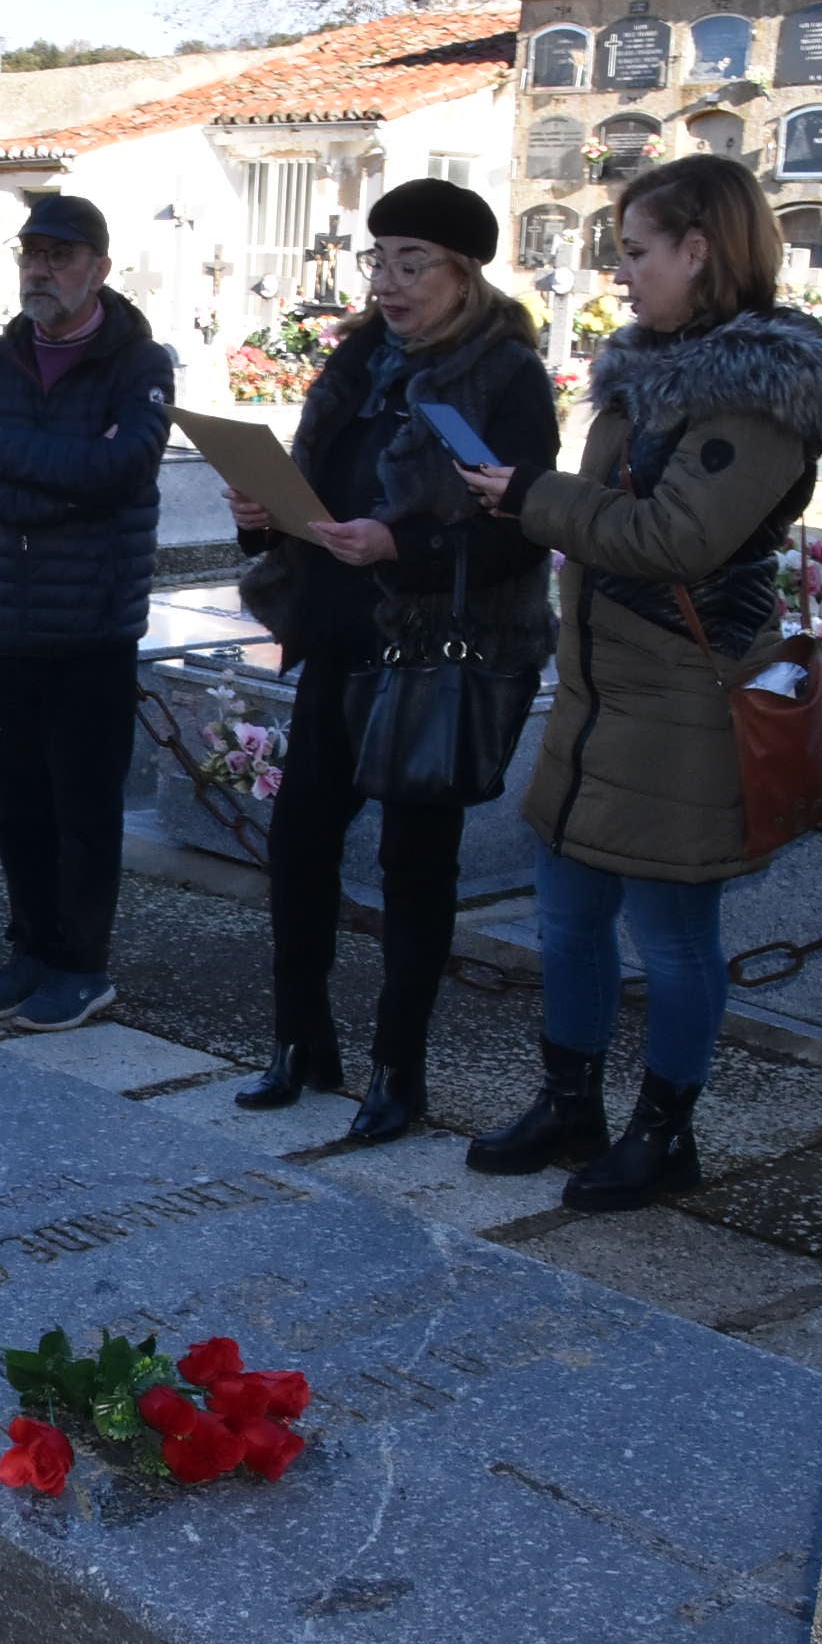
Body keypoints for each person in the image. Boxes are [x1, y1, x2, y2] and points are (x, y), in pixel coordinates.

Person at [455, 153, 822, 1210]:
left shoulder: (760, 394)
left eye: (637, 252)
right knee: (566, 913)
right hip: (600, 700)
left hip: (684, 705)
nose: (621, 273)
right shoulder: (649, 373)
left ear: (699, 249)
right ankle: (571, 1100)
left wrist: (531, 497)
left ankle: (664, 1129)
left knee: (675, 940)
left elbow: (679, 536)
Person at [220, 180, 556, 1127]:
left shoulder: (505, 375)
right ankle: (299, 1040)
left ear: (465, 275)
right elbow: (311, 496)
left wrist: (401, 544)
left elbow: (524, 531)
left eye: (413, 265)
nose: (389, 284)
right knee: (300, 846)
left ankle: (397, 1071)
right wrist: (263, 518)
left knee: (415, 864)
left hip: (429, 651)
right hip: (332, 635)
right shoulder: (357, 360)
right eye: (379, 262)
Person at [0, 195, 172, 1031]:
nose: (41, 268)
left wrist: (11, 457)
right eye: (32, 252)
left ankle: (81, 964)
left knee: (83, 806)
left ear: (99, 268)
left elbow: (126, 469)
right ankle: (29, 946)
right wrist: (54, 485)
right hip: (2, 618)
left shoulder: (138, 364)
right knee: (18, 803)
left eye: (61, 255)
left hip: (92, 624)